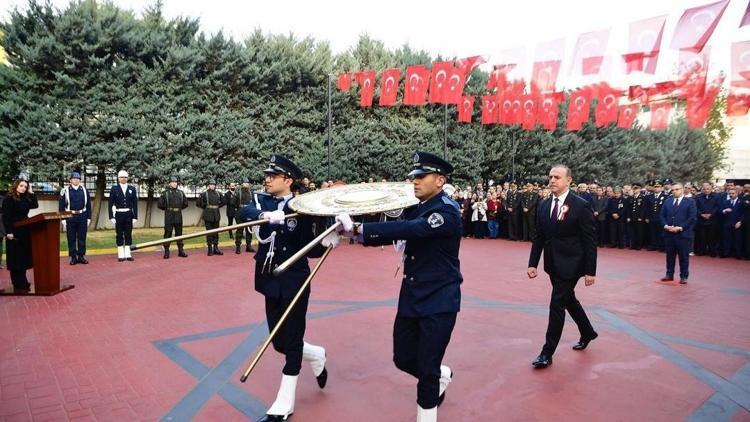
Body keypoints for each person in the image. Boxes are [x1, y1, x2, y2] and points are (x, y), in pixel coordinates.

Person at [341, 151, 462, 422]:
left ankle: (428, 406)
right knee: (403, 359)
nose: (415, 182)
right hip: (411, 295)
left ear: (440, 180)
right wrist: (350, 233)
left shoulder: (447, 211)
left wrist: (360, 230)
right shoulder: (417, 206)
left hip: (440, 299)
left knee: (426, 371)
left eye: (421, 176)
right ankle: (440, 375)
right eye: (414, 177)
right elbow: (398, 224)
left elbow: (412, 229)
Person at [237, 155, 329, 422]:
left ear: (288, 180)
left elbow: (313, 248)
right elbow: (244, 213)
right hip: (269, 278)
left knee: (291, 339)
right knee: (279, 342)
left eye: (273, 175)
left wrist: (328, 237)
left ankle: (284, 404)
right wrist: (265, 215)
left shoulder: (302, 206)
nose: (267, 179)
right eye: (267, 174)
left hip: (294, 278)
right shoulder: (261, 200)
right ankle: (317, 355)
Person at [527, 165, 597, 369]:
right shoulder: (543, 204)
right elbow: (539, 236)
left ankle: (546, 353)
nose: (552, 180)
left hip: (572, 263)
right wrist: (533, 263)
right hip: (552, 263)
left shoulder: (581, 205)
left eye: (557, 177)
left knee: (557, 304)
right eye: (550, 176)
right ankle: (587, 332)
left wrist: (590, 271)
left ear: (569, 181)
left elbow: (589, 240)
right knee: (568, 300)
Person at [2, 179, 39, 291]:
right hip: (13, 231)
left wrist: (32, 192)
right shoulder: (9, 199)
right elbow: (6, 217)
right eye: (21, 185)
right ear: (16, 186)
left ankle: (23, 281)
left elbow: (35, 205)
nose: (23, 188)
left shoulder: (25, 198)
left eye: (25, 186)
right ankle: (18, 283)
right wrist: (8, 232)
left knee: (23, 257)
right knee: (15, 258)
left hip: (24, 231)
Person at [659, 183, 697, 284]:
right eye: (673, 190)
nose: (674, 191)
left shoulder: (690, 202)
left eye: (677, 189)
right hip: (669, 233)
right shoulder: (668, 201)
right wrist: (666, 226)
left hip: (683, 234)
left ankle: (684, 276)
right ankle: (669, 274)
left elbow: (692, 218)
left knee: (683, 257)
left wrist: (680, 227)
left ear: (682, 189)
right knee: (670, 256)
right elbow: (662, 215)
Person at [59, 172, 91, 265]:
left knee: (82, 237)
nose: (76, 180)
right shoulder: (65, 190)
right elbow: (61, 206)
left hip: (82, 216)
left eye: (78, 179)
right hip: (70, 216)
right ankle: (73, 257)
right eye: (74, 178)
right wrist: (63, 219)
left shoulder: (84, 190)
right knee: (71, 237)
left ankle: (81, 256)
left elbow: (88, 205)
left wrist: (88, 217)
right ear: (70, 180)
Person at [108, 170, 138, 262]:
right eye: (121, 177)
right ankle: (121, 254)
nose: (123, 179)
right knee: (119, 234)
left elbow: (135, 204)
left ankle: (128, 254)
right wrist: (111, 216)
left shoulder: (132, 189)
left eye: (125, 177)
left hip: (129, 214)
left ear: (127, 178)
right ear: (118, 178)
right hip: (119, 214)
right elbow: (110, 203)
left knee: (128, 234)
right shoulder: (114, 188)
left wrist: (135, 216)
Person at [157, 176, 189, 259]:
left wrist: (177, 209)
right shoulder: (165, 193)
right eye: (173, 182)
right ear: (169, 183)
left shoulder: (181, 193)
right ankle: (167, 251)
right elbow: (160, 204)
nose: (175, 183)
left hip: (178, 215)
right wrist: (168, 209)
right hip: (169, 215)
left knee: (179, 234)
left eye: (176, 182)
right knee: (168, 233)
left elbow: (185, 204)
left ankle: (181, 251)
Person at [196, 179, 225, 256]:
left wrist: (217, 207)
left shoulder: (218, 194)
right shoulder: (204, 194)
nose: (213, 186)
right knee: (209, 233)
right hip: (208, 215)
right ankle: (209, 249)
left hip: (216, 215)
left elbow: (223, 202)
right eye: (211, 184)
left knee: (216, 233)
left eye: (214, 184)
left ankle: (216, 248)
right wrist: (206, 208)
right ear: (208, 185)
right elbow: (198, 203)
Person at [719, 187, 744, 258]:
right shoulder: (725, 202)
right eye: (730, 193)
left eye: (733, 193)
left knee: (737, 239)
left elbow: (743, 213)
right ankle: (726, 253)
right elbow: (720, 211)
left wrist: (740, 221)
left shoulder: (741, 202)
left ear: (737, 193)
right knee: (726, 239)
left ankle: (738, 254)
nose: (731, 195)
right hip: (727, 223)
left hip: (737, 223)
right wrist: (724, 210)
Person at [233, 178, 256, 254]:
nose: (247, 184)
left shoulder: (250, 192)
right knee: (240, 230)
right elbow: (233, 202)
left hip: (249, 212)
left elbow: (253, 202)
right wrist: (238, 209)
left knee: (249, 230)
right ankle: (238, 246)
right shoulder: (238, 191)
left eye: (247, 183)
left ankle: (248, 246)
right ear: (242, 184)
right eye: (245, 183)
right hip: (240, 211)